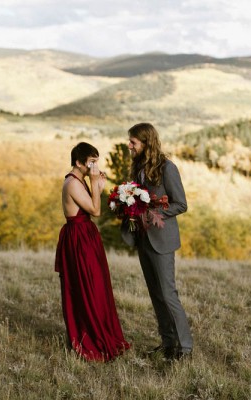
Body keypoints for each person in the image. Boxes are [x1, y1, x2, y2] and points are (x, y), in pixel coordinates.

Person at [121, 122, 193, 360]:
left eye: (133, 142)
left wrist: (152, 213)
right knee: (155, 294)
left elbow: (180, 204)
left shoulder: (167, 168)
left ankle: (185, 348)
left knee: (168, 293)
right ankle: (168, 343)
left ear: (146, 142)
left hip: (162, 239)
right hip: (144, 239)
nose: (129, 145)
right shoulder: (138, 166)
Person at [55, 142, 130, 361]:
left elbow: (93, 205)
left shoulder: (80, 179)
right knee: (87, 287)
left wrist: (97, 185)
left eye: (96, 161)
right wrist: (95, 183)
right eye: (91, 162)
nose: (95, 166)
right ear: (79, 162)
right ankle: (90, 338)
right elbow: (96, 210)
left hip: (86, 236)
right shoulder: (72, 183)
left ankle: (102, 331)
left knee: (97, 286)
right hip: (79, 239)